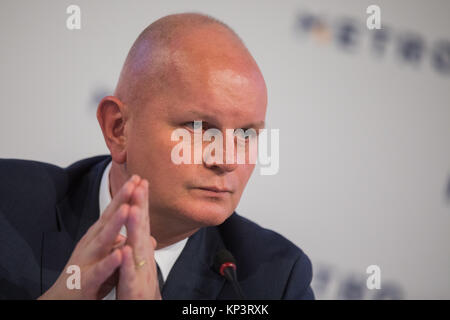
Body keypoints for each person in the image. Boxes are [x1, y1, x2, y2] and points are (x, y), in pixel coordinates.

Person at [0, 13, 314, 300]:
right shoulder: (7, 205)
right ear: (118, 128)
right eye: (201, 128)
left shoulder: (275, 279)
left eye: (246, 134)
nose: (227, 160)